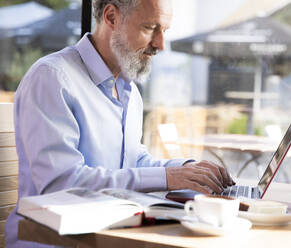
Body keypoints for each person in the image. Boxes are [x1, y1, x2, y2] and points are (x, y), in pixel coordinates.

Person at [5, 0, 234, 247]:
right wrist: (168, 177)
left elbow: (134, 161)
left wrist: (189, 170)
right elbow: (60, 185)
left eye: (164, 31)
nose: (160, 44)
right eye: (149, 28)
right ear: (112, 17)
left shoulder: (129, 91)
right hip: (53, 241)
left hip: (105, 234)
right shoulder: (52, 78)